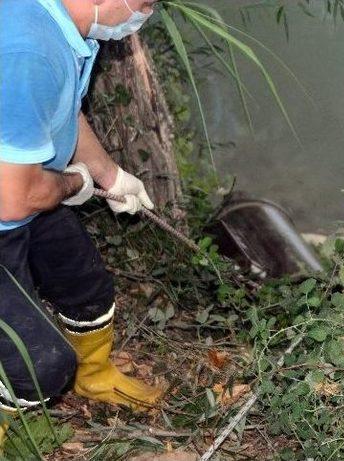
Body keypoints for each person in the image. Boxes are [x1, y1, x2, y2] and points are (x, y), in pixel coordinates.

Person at [0, 0, 162, 446]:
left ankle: (96, 375)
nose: (145, 15)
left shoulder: (60, 23)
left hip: (21, 193)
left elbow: (62, 109)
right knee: (39, 365)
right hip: (11, 202)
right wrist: (77, 183)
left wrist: (110, 177)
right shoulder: (28, 51)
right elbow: (15, 199)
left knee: (87, 289)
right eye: (146, 4)